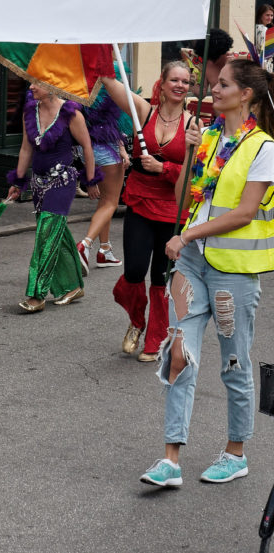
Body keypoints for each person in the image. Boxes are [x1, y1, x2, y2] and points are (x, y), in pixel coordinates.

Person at [140, 58, 274, 489]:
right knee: (179, 353)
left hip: (233, 273)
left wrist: (187, 234)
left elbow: (245, 212)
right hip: (192, 265)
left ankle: (236, 453)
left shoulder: (264, 148)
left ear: (245, 94)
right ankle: (170, 459)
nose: (212, 90)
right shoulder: (210, 137)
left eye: (222, 85)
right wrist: (194, 154)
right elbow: (183, 197)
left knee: (234, 364)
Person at [100, 61, 192, 361]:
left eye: (186, 82)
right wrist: (98, 62)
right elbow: (112, 86)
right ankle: (137, 321)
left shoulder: (194, 125)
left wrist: (164, 167)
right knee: (134, 270)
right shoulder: (145, 112)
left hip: (172, 209)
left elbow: (196, 173)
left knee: (160, 277)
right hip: (140, 201)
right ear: (162, 83)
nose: (180, 85)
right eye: (175, 80)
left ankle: (156, 336)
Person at [7, 83, 100, 314]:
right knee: (56, 234)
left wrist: (90, 180)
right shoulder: (30, 111)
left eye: (37, 82)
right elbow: (26, 149)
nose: (30, 86)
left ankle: (36, 295)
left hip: (62, 182)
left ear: (52, 85)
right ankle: (73, 286)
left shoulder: (71, 113)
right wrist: (18, 182)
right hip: (38, 184)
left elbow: (87, 147)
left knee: (45, 237)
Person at [74, 87, 129, 273]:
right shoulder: (110, 88)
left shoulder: (80, 87)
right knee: (111, 202)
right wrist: (121, 148)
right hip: (107, 149)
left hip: (85, 150)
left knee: (104, 202)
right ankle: (85, 244)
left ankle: (105, 250)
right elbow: (116, 122)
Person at [191, 28, 233, 95]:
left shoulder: (236, 64)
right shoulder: (207, 64)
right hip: (217, 105)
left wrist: (229, 67)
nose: (211, 60)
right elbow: (201, 94)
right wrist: (191, 81)